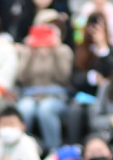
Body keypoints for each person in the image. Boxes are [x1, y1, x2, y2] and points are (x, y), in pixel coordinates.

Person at [15, 19, 74, 152]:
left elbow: (64, 78)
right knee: (24, 109)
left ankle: (54, 150)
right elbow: (22, 78)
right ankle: (23, 149)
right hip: (30, 95)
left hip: (55, 96)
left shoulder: (64, 51)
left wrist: (56, 51)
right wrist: (30, 52)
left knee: (46, 109)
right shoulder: (28, 51)